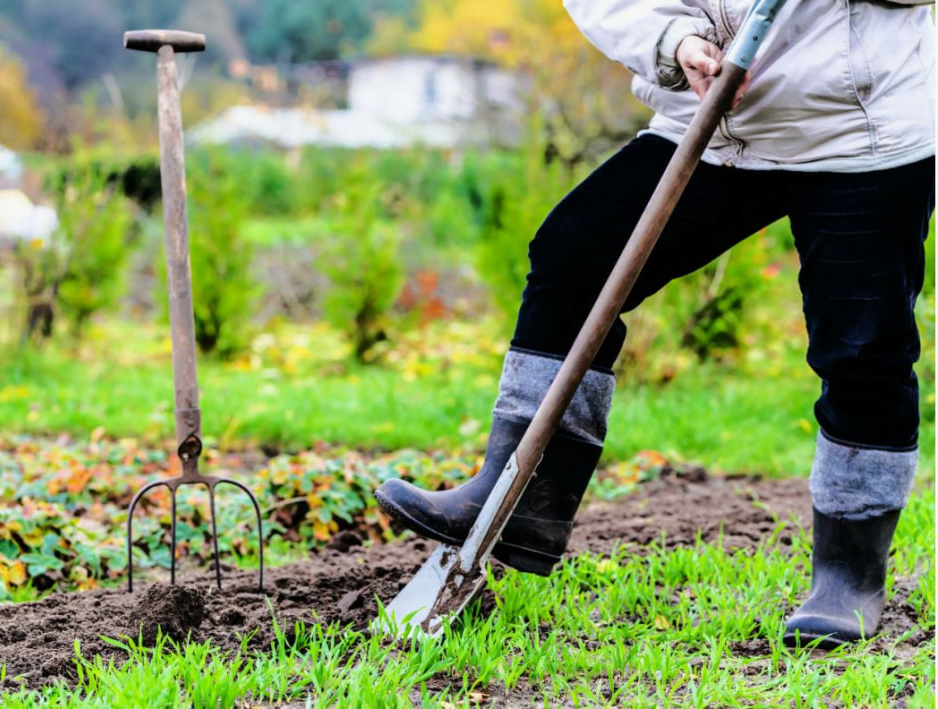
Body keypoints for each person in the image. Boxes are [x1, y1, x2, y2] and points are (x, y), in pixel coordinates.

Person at [376, 0, 935, 648]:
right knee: (577, 258)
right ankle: (523, 495)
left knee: (862, 344)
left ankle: (849, 572)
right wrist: (673, 41)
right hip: (712, 116)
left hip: (859, 132)